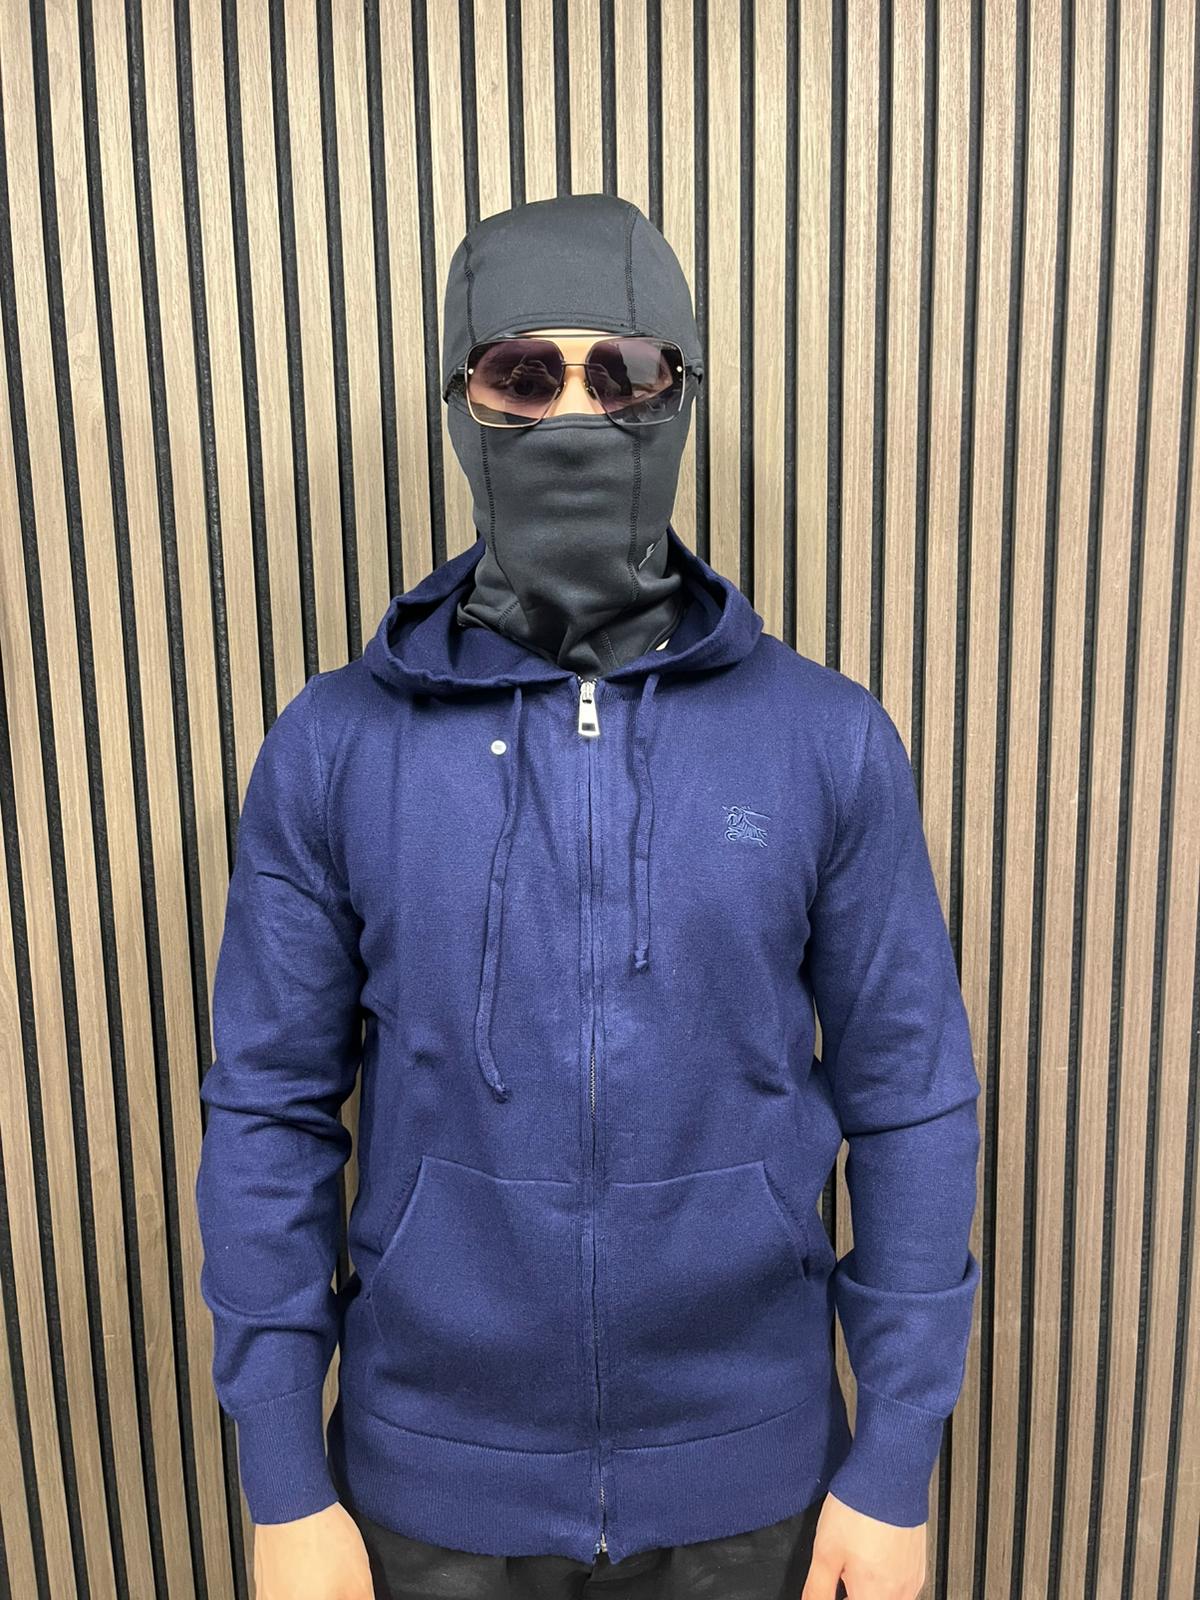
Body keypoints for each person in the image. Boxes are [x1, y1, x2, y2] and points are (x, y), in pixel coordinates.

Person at [195, 193, 981, 1600]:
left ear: (680, 394)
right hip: (427, 1497)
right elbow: (269, 1110)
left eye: (621, 373)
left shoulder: (826, 739)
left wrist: (896, 1461)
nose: (573, 414)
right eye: (522, 373)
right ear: (463, 401)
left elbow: (911, 1098)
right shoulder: (334, 747)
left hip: (754, 1490)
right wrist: (282, 1481)